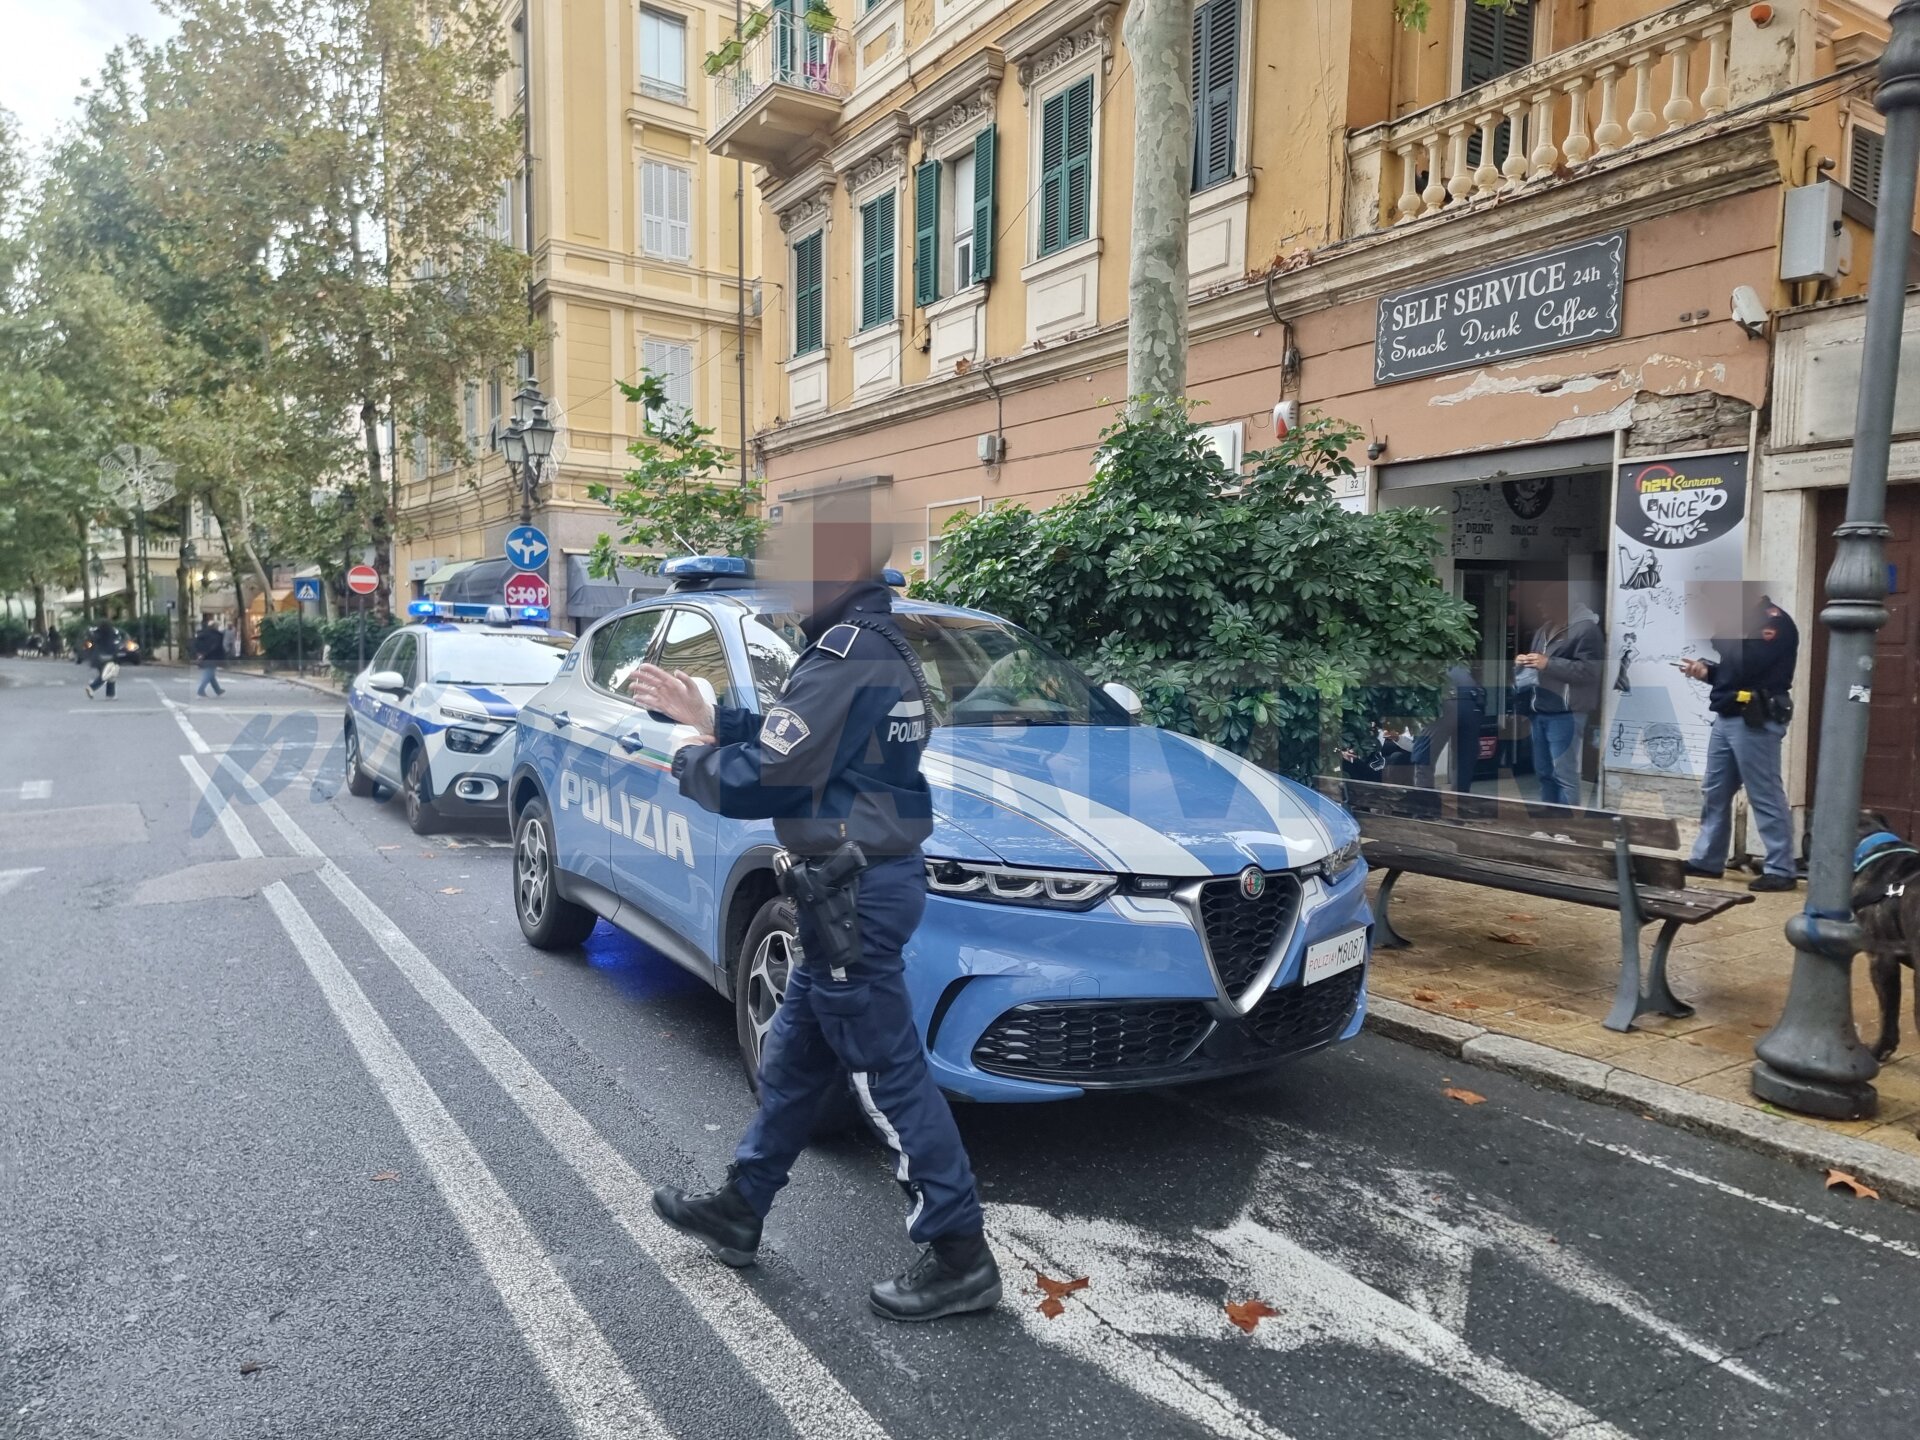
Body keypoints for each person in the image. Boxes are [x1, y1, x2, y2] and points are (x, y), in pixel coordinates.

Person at [632, 500, 999, 1324]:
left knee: (886, 1073)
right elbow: (810, 741)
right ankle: (741, 1206)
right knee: (796, 1059)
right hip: (848, 888)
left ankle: (961, 1253)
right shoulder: (877, 646)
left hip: (852, 894)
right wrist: (716, 716)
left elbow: (769, 775)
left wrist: (696, 756)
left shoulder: (844, 654)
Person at [1680, 586, 1799, 892]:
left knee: (1764, 793)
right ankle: (1707, 859)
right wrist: (1704, 671)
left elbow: (1749, 661)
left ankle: (1781, 868)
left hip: (1755, 717)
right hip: (1728, 714)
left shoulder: (1774, 622)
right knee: (1715, 790)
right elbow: (1734, 671)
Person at [1514, 583, 1604, 807]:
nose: (1539, 605)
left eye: (1545, 602)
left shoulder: (1586, 630)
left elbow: (1590, 671)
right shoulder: (1543, 629)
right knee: (1544, 772)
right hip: (1540, 708)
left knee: (1563, 772)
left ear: (1561, 604)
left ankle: (1569, 830)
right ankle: (1549, 825)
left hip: (1567, 711)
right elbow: (1538, 664)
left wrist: (1549, 663)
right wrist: (1524, 662)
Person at [83, 621, 122, 700]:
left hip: (98, 657)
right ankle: (92, 687)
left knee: (108, 675)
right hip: (108, 657)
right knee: (108, 675)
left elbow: (91, 645)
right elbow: (114, 645)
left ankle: (110, 694)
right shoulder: (111, 634)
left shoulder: (96, 634)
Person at [192, 616, 226, 698]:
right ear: (216, 627)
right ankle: (200, 690)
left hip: (202, 656)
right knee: (209, 674)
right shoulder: (217, 635)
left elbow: (195, 644)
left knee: (211, 675)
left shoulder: (202, 634)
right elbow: (216, 647)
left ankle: (218, 690)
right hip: (212, 657)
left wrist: (199, 653)